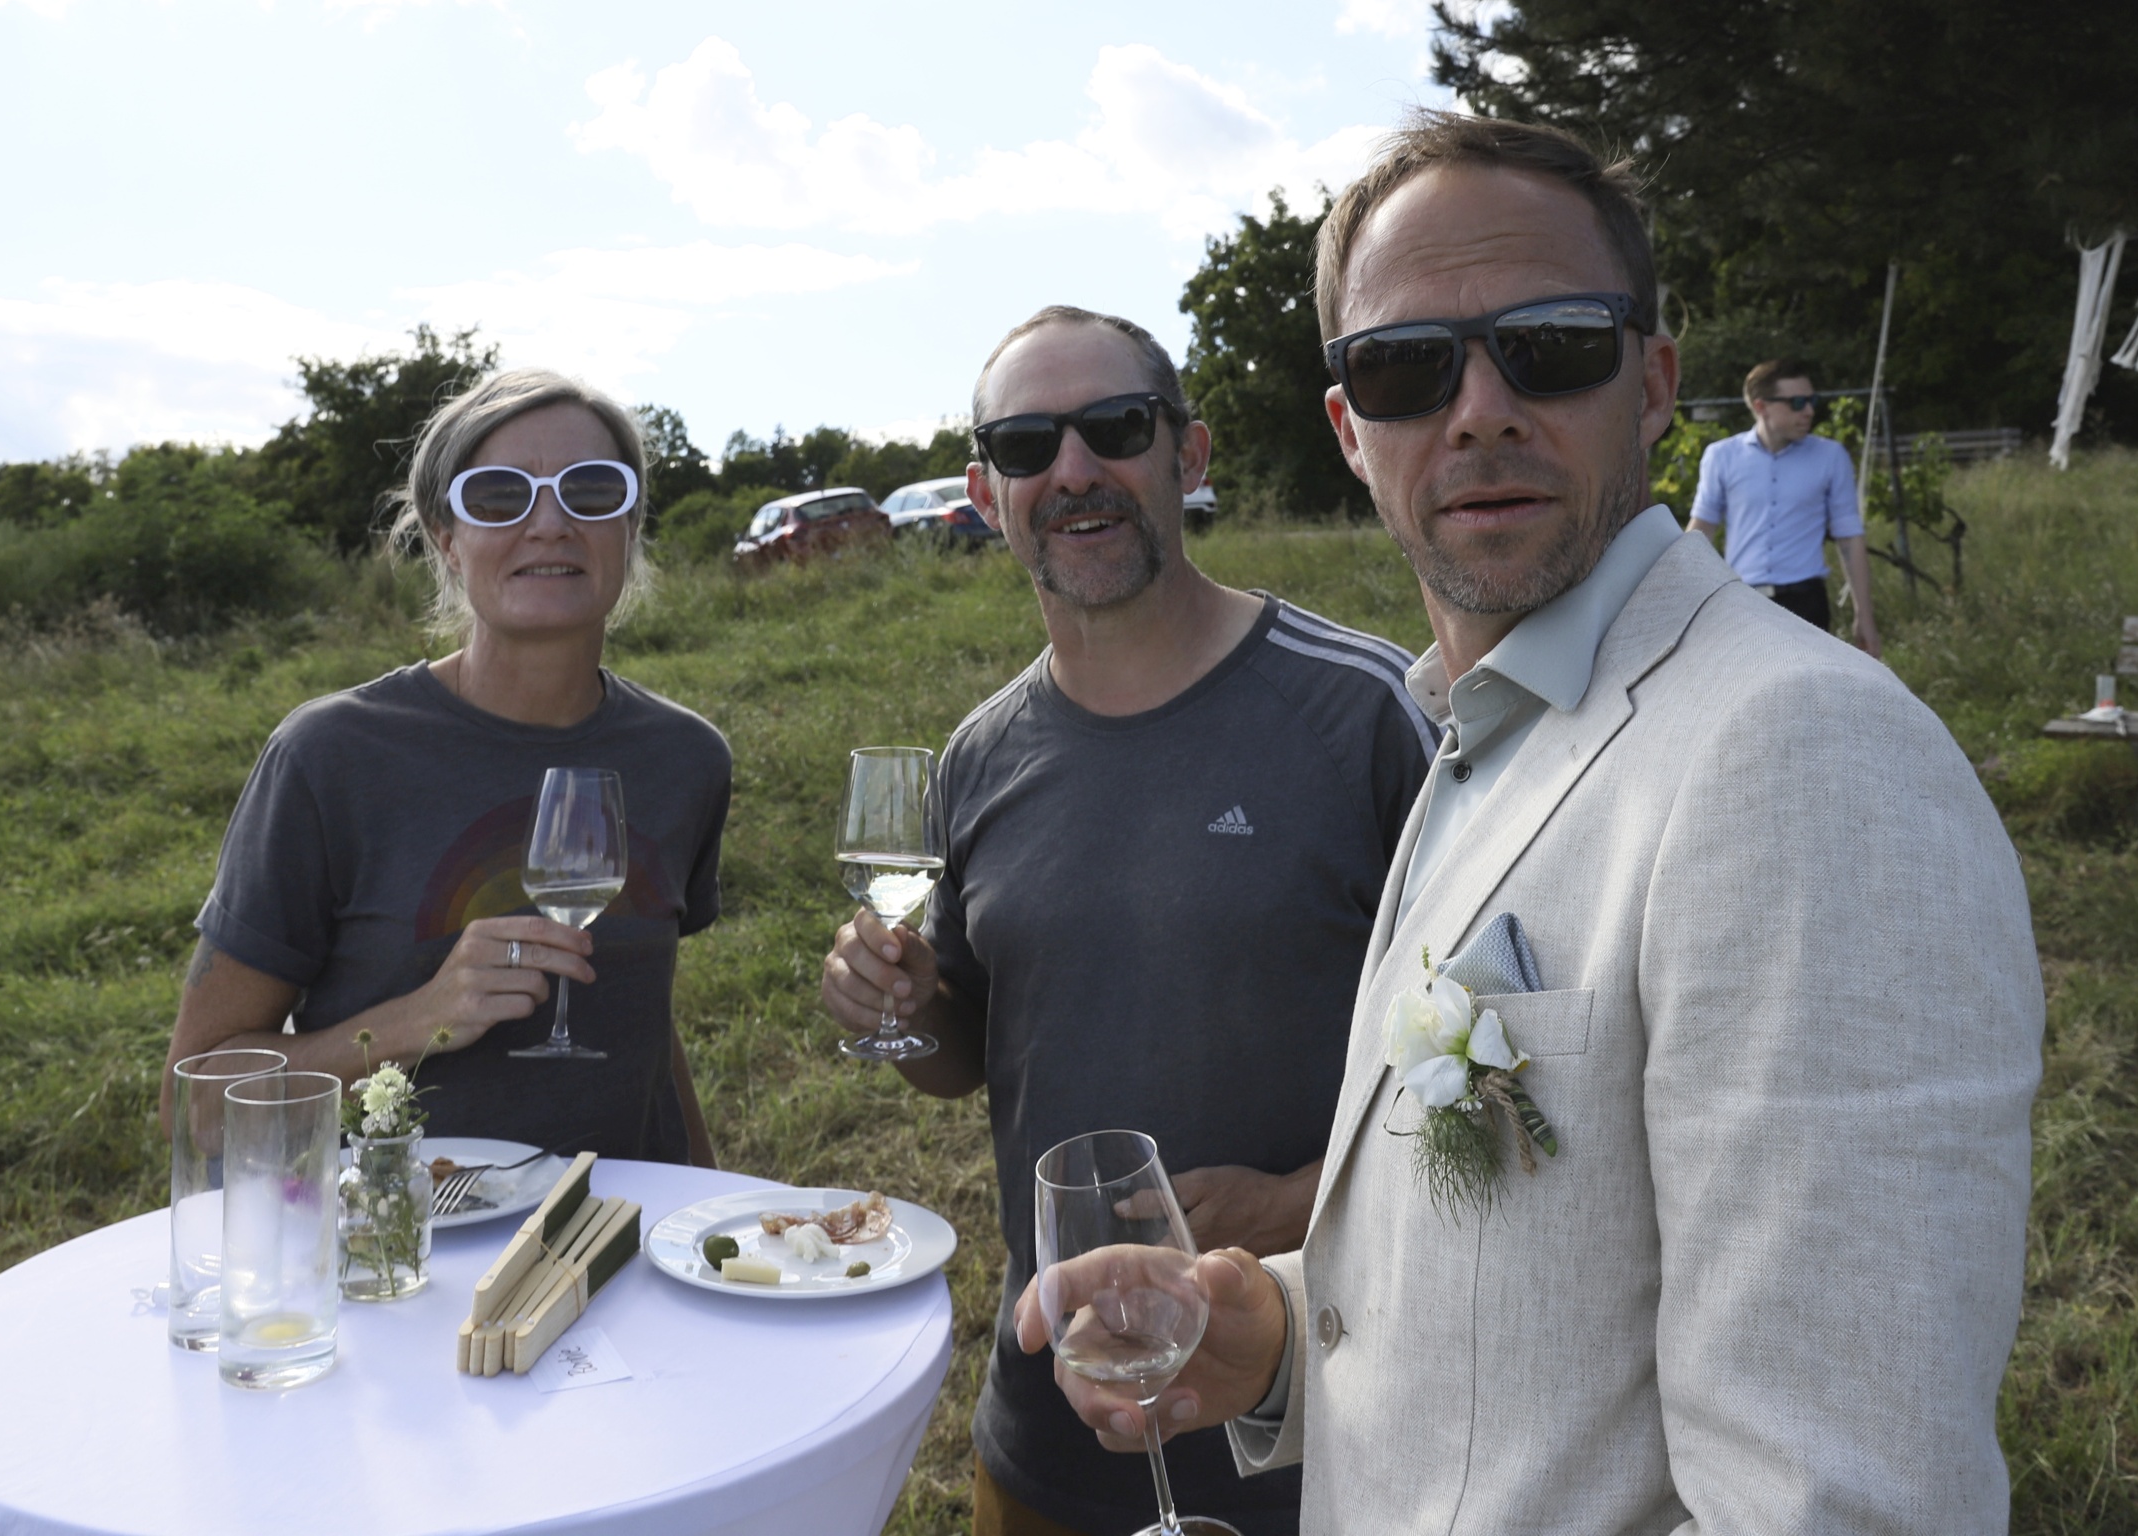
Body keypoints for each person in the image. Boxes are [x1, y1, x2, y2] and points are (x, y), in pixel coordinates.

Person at [1017, 113, 2044, 1532]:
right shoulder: (1485, 726)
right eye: (1406, 366)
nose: (1482, 408)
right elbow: (1533, 1294)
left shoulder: (1803, 756)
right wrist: (1278, 1337)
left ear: (1654, 383)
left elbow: (1845, 1507)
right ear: (1350, 430)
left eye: (1551, 346)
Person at [820, 306, 1431, 1536]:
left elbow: (1512, 1081)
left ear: (1187, 454)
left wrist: (1293, 1200)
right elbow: (967, 1058)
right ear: (988, 493)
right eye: (1027, 444)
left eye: (1114, 426)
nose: (1074, 469)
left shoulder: (1366, 710)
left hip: (1328, 1440)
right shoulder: (978, 756)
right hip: (1051, 1437)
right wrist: (903, 1003)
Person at [166, 368, 725, 1165]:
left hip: (630, 1226)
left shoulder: (684, 757)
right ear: (445, 538)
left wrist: (704, 1203)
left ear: (630, 524)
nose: (550, 523)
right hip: (405, 1236)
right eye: (498, 497)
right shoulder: (329, 758)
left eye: (592, 490)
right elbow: (196, 1108)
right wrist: (419, 1019)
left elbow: (643, 1030)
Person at [1686, 356, 1881, 655]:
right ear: (1761, 406)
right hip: (1742, 603)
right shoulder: (1721, 456)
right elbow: (1700, 530)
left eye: (1811, 400)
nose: (1809, 411)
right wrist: (1682, 603)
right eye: (1797, 402)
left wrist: (1864, 616)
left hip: (1806, 604)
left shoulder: (1831, 457)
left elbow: (1849, 537)